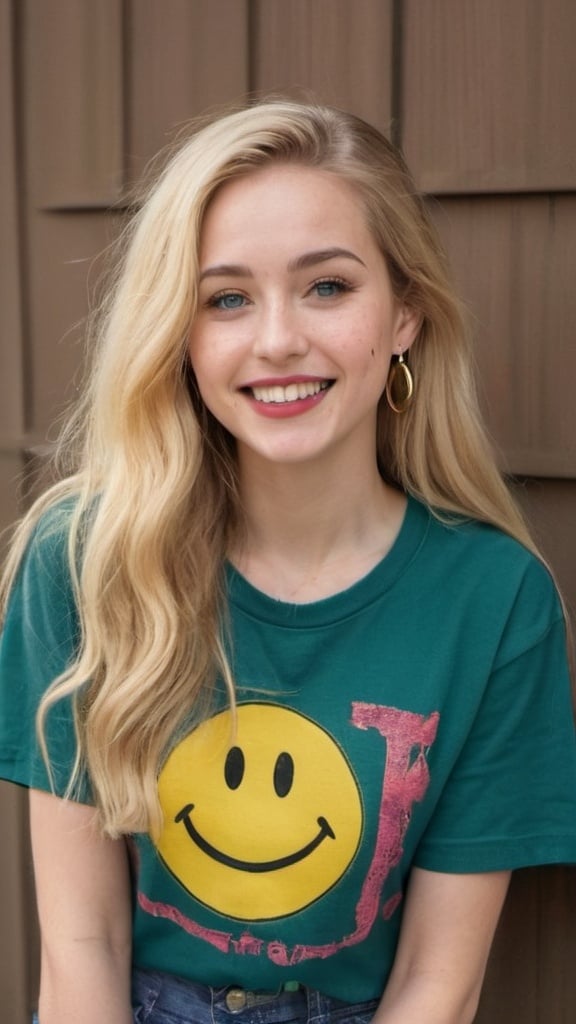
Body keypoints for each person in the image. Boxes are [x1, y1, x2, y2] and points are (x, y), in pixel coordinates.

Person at [1, 99, 575, 1024]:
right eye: (225, 298)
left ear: (405, 317)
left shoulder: (495, 601)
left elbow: (441, 979)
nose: (276, 340)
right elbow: (81, 950)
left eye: (328, 287)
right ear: (180, 339)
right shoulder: (83, 562)